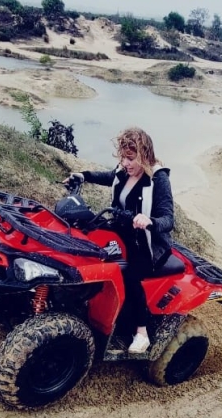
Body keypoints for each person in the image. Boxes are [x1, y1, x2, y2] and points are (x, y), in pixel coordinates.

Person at [65, 127, 175, 354]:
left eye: (131, 158)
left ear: (144, 155)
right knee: (89, 245)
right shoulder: (124, 171)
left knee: (128, 274)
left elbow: (168, 219)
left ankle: (142, 333)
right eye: (123, 157)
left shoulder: (158, 179)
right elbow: (109, 177)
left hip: (147, 244)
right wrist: (84, 176)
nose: (125, 163)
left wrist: (149, 220)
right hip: (122, 232)